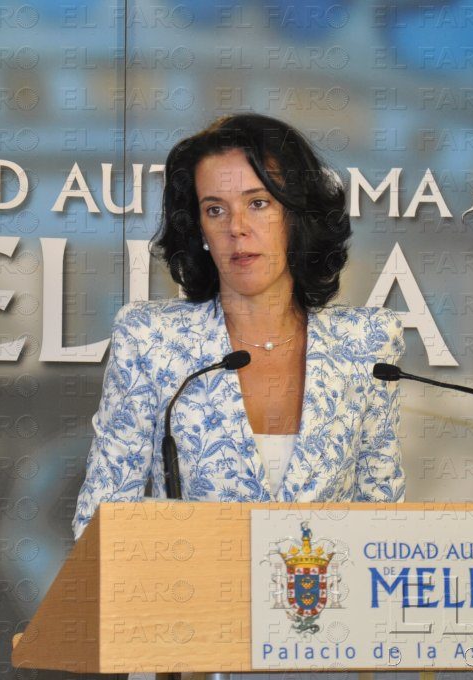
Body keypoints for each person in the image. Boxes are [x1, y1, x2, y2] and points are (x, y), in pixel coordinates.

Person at [72, 113, 404, 540]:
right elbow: (101, 520)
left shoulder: (367, 344)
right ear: (200, 230)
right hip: (190, 582)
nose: (236, 229)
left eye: (258, 203)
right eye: (215, 210)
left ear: (296, 216)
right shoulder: (151, 338)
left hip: (323, 581)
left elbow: (385, 521)